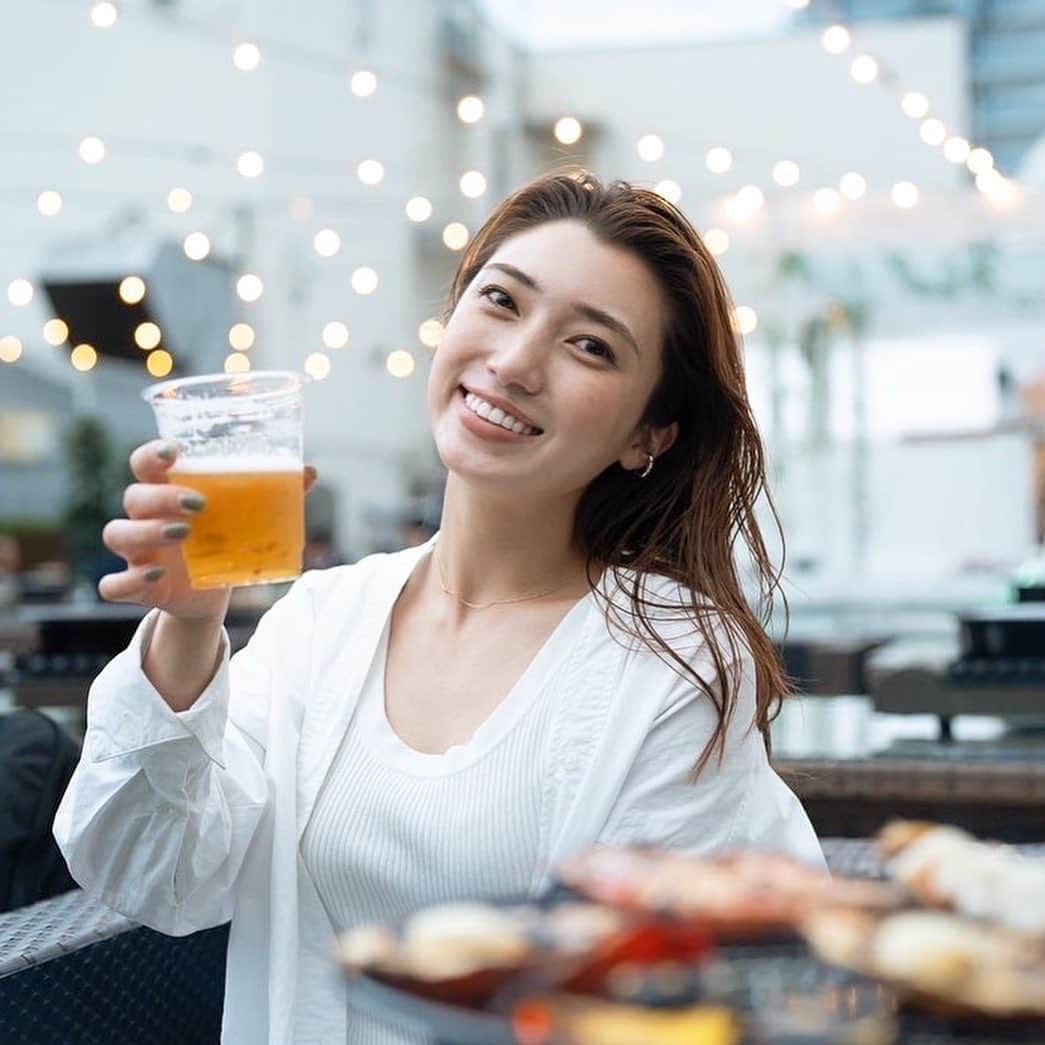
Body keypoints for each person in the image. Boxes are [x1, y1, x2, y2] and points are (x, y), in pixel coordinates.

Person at [54, 169, 822, 1045]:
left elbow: (689, 991)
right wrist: (189, 631)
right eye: (501, 301)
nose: (516, 360)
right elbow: (154, 877)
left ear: (649, 434)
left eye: (591, 347)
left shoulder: (672, 661)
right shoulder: (321, 620)